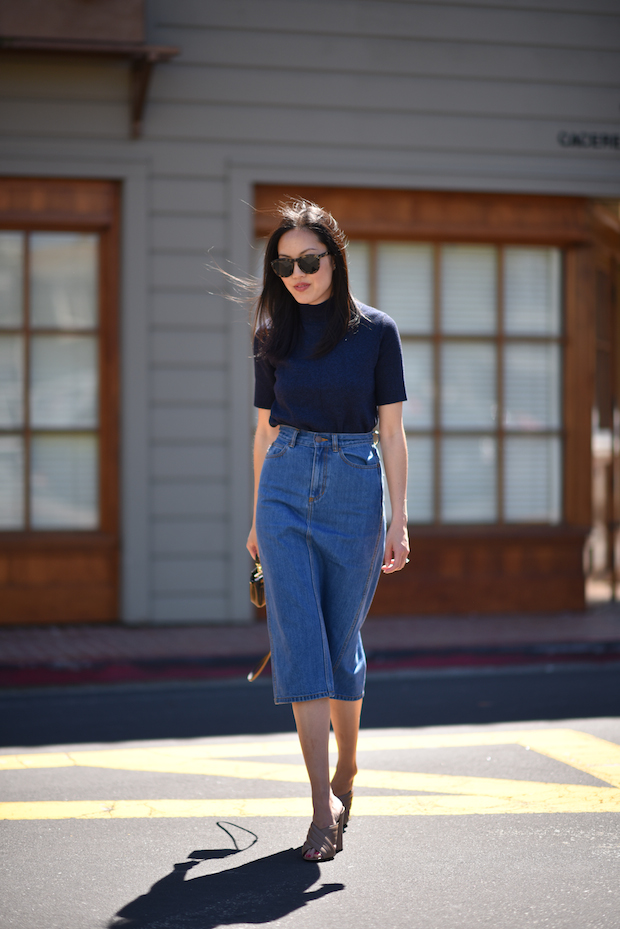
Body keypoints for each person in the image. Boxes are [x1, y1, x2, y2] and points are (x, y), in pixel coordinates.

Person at [246, 200, 409, 862]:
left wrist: (400, 517)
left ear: (334, 260)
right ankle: (320, 809)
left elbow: (392, 431)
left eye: (308, 260)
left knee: (342, 642)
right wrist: (257, 515)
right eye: (283, 264)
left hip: (354, 482)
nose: (295, 273)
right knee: (300, 644)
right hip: (284, 484)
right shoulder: (269, 332)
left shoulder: (377, 332)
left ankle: (348, 768)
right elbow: (262, 431)